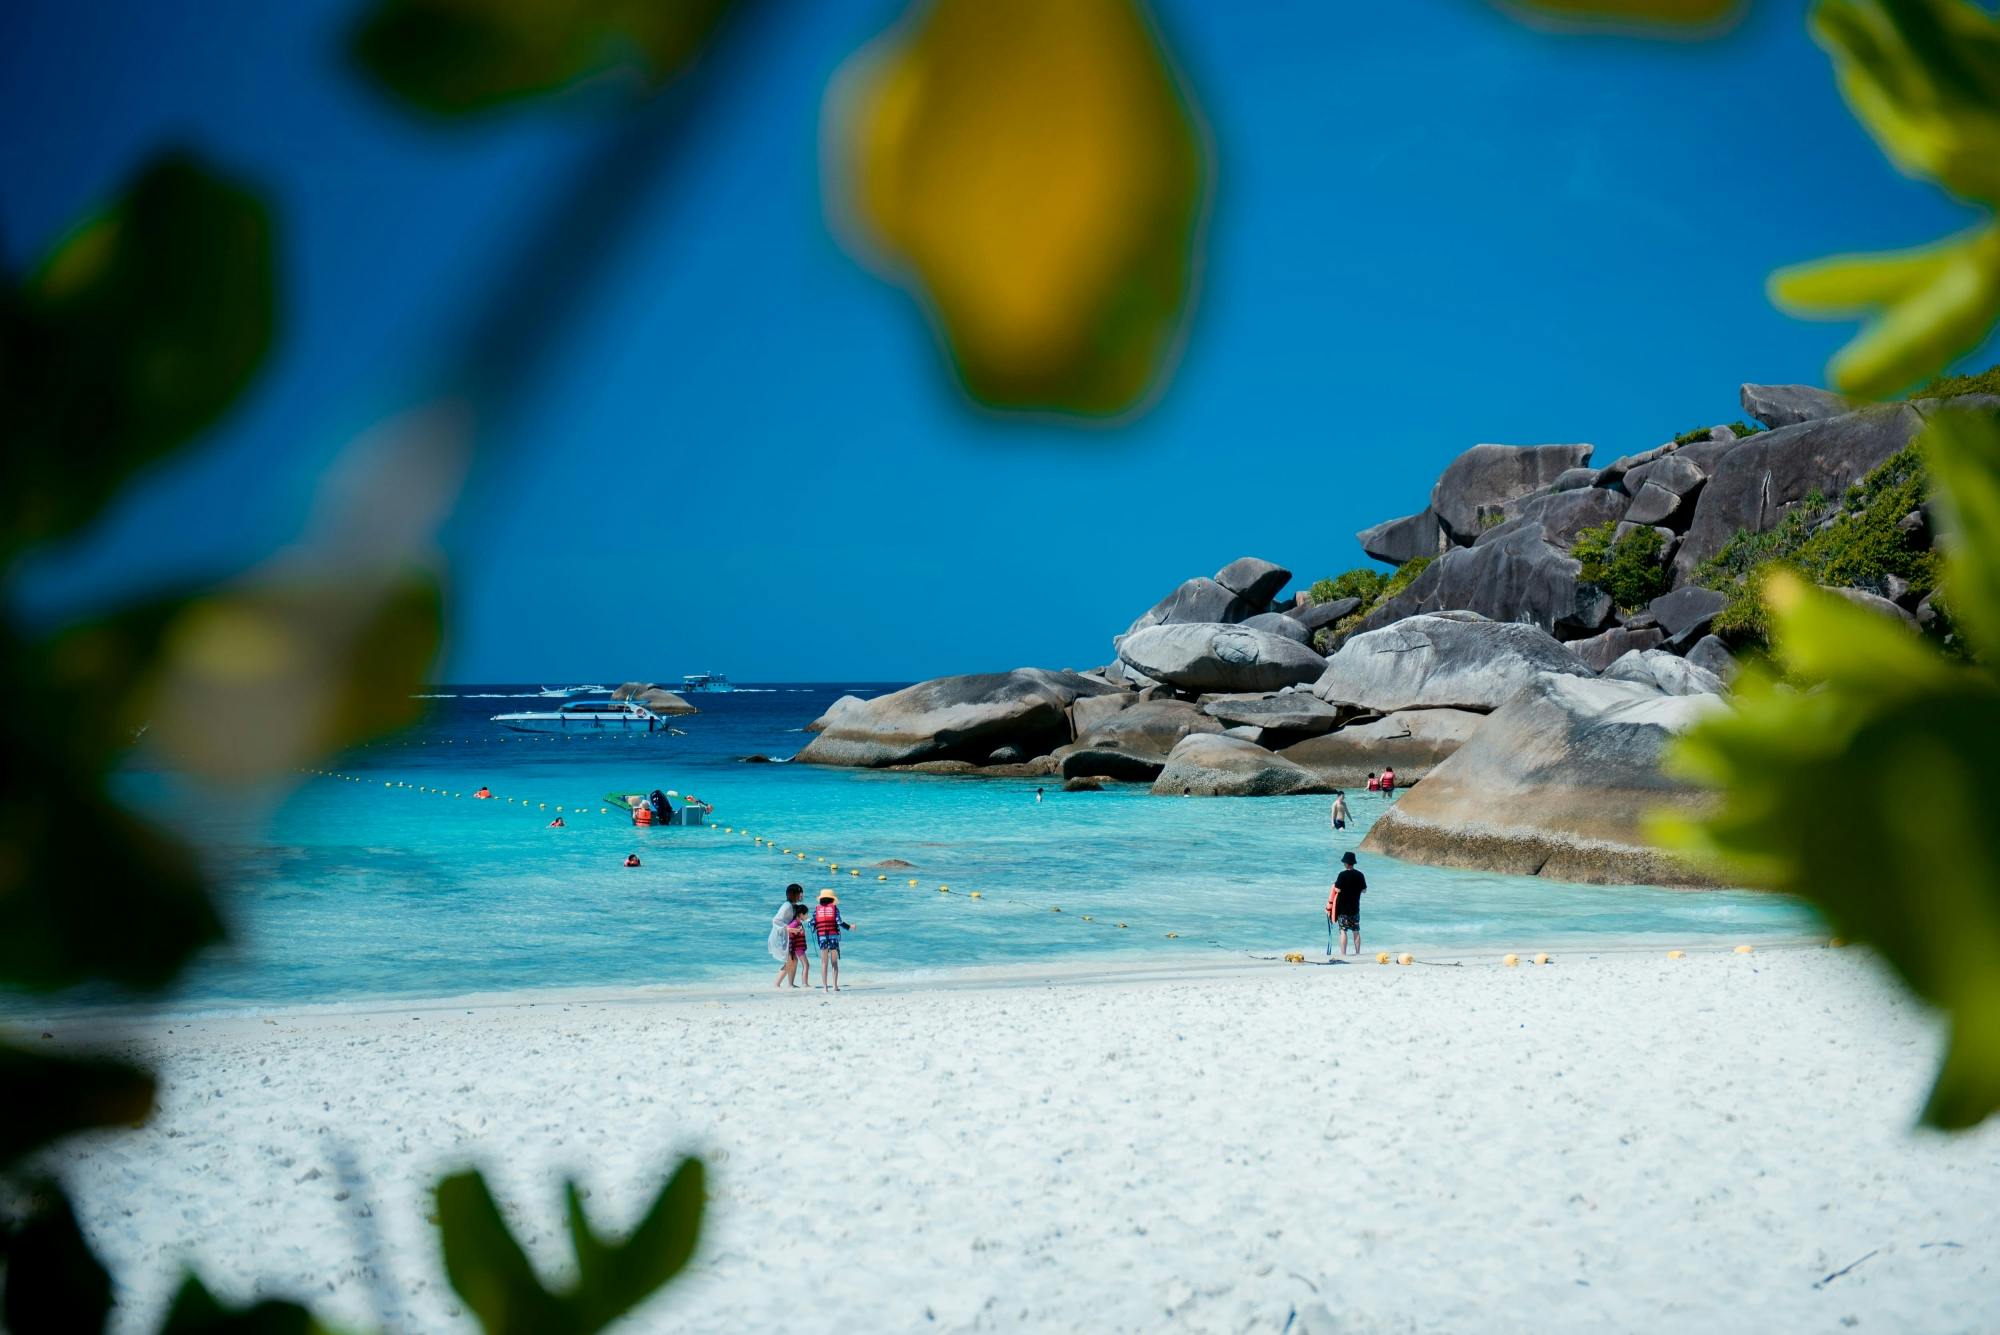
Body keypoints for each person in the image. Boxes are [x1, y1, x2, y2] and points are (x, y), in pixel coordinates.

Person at [770, 884, 810, 989]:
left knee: (793, 960)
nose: (801, 895)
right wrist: (787, 928)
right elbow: (775, 920)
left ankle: (790, 984)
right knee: (791, 961)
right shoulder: (787, 906)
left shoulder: (791, 905)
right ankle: (777, 984)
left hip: (790, 937)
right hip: (786, 937)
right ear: (793, 894)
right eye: (799, 893)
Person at [813, 890, 854, 992]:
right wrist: (850, 927)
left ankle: (825, 987)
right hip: (833, 939)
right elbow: (839, 922)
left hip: (822, 938)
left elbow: (812, 923)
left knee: (824, 963)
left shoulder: (816, 910)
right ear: (832, 899)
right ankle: (835, 986)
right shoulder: (835, 909)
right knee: (834, 962)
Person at [1328, 851, 1366, 956]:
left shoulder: (1342, 875)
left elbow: (1338, 889)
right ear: (1353, 863)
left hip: (1343, 909)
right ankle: (1358, 953)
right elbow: (1364, 890)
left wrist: (1334, 885)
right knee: (1356, 931)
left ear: (1345, 863)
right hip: (1355, 908)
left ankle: (1343, 954)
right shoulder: (1360, 875)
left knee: (1343, 931)